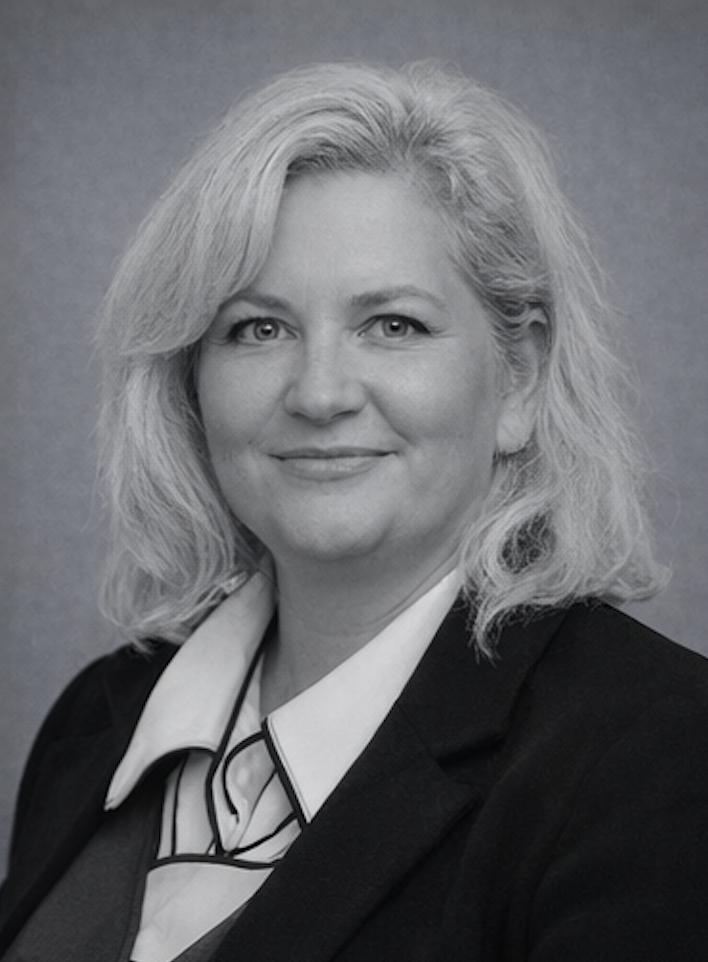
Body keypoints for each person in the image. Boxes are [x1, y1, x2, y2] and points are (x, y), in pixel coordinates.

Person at [1, 61, 707, 962]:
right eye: (258, 328)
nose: (321, 392)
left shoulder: (659, 760)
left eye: (394, 325)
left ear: (518, 379)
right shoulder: (99, 718)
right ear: (190, 384)